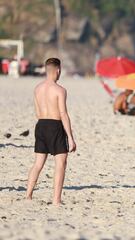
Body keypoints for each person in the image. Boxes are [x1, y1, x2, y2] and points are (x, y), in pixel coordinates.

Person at [26, 58, 76, 205]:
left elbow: (37, 112)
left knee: (38, 163)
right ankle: (56, 200)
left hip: (41, 125)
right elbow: (63, 114)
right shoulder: (60, 90)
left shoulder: (37, 88)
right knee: (61, 163)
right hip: (55, 126)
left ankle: (28, 195)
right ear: (58, 71)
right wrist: (71, 138)